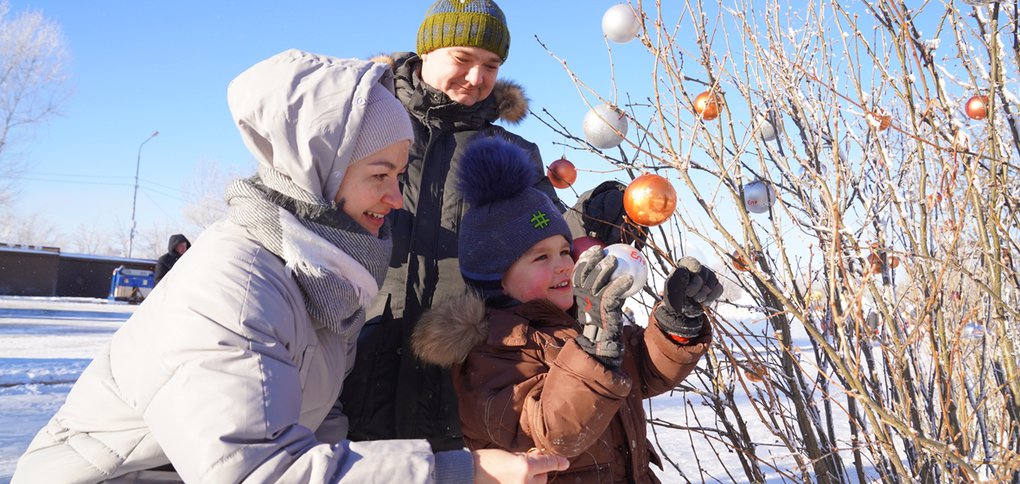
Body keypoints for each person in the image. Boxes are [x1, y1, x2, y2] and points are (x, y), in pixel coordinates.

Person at [12, 50, 566, 483]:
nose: (397, 200)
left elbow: (318, 427)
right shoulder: (237, 286)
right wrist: (459, 473)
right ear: (317, 171)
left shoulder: (326, 274)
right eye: (380, 175)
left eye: (401, 177)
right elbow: (256, 470)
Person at [341, 0, 642, 452]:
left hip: (473, 381)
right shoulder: (366, 129)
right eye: (462, 59)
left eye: (491, 65)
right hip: (357, 370)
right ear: (427, 51)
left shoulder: (510, 152)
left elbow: (542, 229)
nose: (477, 78)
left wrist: (590, 217)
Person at [411, 137, 723, 482]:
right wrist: (594, 348)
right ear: (497, 279)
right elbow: (552, 431)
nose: (563, 265)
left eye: (563, 251)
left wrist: (676, 323)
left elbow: (645, 370)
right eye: (541, 257)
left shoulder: (575, 325)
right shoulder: (492, 352)